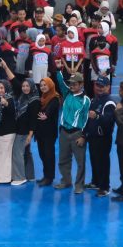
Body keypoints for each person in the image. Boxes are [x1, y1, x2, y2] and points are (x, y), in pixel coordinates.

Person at [53, 62, 91, 193]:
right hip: (64, 132)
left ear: (81, 84)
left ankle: (79, 185)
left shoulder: (86, 100)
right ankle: (66, 181)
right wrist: (58, 69)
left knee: (80, 162)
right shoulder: (67, 93)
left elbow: (86, 120)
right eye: (71, 84)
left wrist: (83, 136)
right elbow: (60, 81)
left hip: (77, 134)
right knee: (63, 159)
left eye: (75, 84)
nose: (72, 86)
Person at [12, 79, 39, 186]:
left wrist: (30, 135)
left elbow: (33, 119)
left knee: (17, 152)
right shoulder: (22, 97)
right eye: (23, 86)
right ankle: (30, 175)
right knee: (26, 152)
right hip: (19, 128)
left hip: (24, 131)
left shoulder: (34, 100)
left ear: (32, 87)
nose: (25, 88)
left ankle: (20, 177)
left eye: (27, 86)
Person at [34, 78, 60, 187]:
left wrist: (46, 115)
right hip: (40, 132)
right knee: (42, 154)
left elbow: (50, 109)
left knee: (48, 155)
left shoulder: (55, 98)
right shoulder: (42, 97)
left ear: (50, 85)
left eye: (45, 85)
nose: (43, 87)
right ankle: (45, 175)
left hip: (49, 133)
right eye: (41, 85)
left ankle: (49, 177)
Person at [0, 80, 16, 184]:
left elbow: (12, 111)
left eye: (2, 88)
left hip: (7, 133)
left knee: (5, 157)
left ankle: (5, 178)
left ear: (6, 88)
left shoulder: (9, 99)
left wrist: (6, 104)